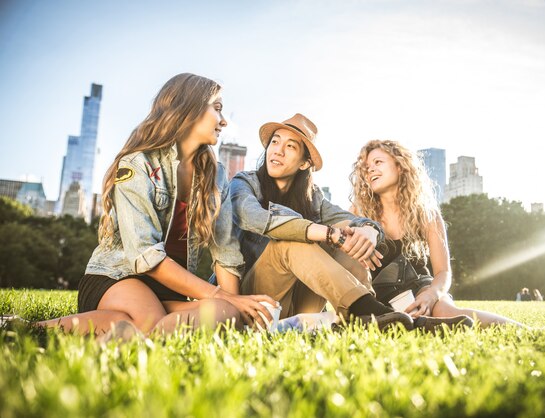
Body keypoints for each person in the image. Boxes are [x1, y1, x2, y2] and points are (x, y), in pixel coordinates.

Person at [30, 73, 277, 336]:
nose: (224, 120)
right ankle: (29, 329)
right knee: (152, 321)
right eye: (217, 109)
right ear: (189, 110)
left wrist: (236, 307)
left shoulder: (215, 176)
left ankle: (113, 332)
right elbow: (146, 257)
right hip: (119, 279)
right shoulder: (138, 165)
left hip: (168, 290)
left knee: (224, 315)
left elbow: (225, 254)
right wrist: (220, 295)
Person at [230, 114, 421, 330]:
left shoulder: (313, 198)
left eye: (290, 146)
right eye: (275, 141)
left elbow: (350, 221)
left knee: (348, 231)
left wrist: (370, 231)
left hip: (300, 305)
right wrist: (327, 234)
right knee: (289, 239)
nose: (278, 150)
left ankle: (369, 316)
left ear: (304, 163)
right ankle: (368, 310)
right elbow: (252, 217)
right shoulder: (245, 183)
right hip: (256, 304)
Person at [350, 140, 526, 328]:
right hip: (376, 295)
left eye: (378, 162)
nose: (370, 170)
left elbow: (443, 272)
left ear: (400, 166)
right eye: (366, 167)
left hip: (422, 288)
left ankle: (529, 331)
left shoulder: (427, 214)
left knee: (445, 312)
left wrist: (431, 294)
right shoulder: (357, 212)